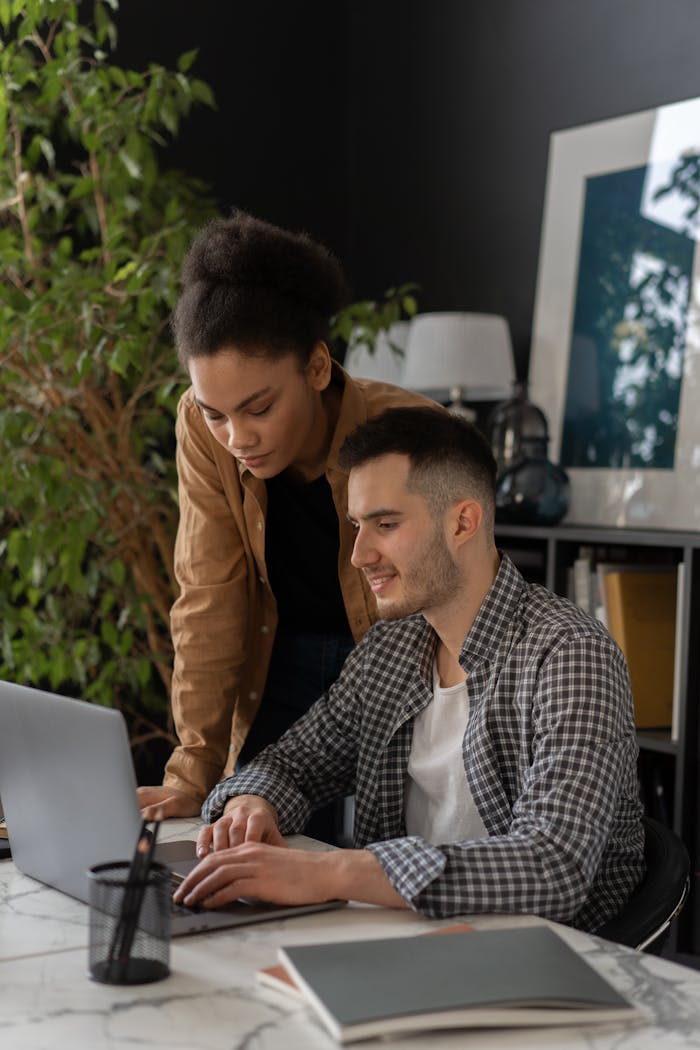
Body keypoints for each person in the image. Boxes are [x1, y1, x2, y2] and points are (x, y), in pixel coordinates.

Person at [172, 405, 645, 931]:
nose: (358, 555)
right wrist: (253, 801)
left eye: (386, 525)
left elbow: (553, 866)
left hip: (550, 961)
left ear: (463, 521)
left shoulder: (569, 653)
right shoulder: (391, 650)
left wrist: (331, 872)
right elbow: (292, 763)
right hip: (403, 938)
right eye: (356, 526)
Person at [137, 212, 429, 832]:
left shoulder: (411, 430)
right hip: (280, 657)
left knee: (388, 855)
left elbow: (451, 606)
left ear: (317, 369)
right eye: (217, 413)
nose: (237, 437)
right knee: (259, 849)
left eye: (259, 407)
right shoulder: (201, 425)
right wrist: (190, 772)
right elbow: (208, 592)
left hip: (398, 660)